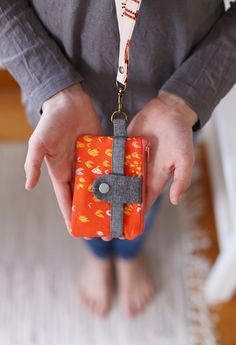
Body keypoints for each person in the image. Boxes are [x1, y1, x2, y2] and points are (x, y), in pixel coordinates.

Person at [0, 0, 235, 318]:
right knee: (76, 197)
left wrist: (188, 98)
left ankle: (129, 252)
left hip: (177, 94)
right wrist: (52, 87)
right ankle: (98, 253)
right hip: (57, 89)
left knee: (148, 195)